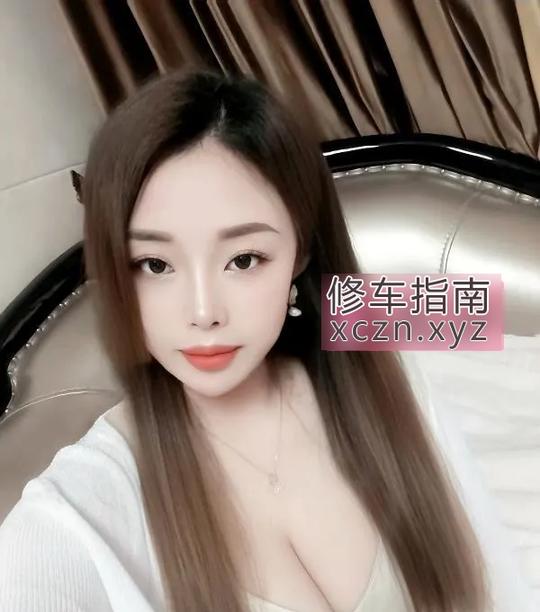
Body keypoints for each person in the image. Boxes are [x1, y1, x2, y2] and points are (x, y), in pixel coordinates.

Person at [0, 67, 534, 612]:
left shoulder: (354, 319)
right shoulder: (84, 501)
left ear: (300, 252)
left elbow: (480, 307)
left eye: (243, 259)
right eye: (155, 264)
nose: (204, 313)